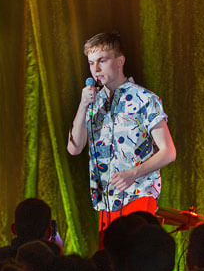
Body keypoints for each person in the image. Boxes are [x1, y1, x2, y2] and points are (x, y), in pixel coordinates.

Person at [67, 31, 176, 248]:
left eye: (102, 61)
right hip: (106, 201)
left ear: (120, 61)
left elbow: (169, 151)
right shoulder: (93, 104)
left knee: (134, 260)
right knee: (111, 265)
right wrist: (82, 106)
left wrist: (133, 173)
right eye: (91, 63)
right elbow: (74, 148)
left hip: (138, 194)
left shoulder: (145, 99)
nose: (96, 69)